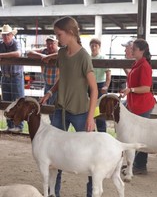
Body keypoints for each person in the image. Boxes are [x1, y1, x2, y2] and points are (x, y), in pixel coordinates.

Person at [40, 16, 98, 197]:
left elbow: (94, 89)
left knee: (90, 155)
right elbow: (62, 78)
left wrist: (90, 117)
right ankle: (53, 193)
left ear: (71, 33)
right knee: (55, 155)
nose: (58, 39)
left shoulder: (84, 57)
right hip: (61, 110)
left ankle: (92, 193)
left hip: (81, 113)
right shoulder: (62, 54)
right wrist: (50, 92)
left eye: (59, 34)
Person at [120, 38, 156, 174]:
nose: (131, 50)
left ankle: (140, 165)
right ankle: (135, 164)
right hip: (136, 104)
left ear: (142, 51)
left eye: (134, 49)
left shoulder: (144, 65)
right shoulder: (138, 63)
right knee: (136, 134)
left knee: (141, 136)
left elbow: (146, 88)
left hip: (142, 105)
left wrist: (131, 90)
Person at [27, 35, 59, 122]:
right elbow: (29, 53)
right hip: (47, 84)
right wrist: (42, 56)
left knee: (56, 107)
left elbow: (63, 54)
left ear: (56, 43)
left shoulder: (60, 51)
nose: (50, 46)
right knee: (49, 106)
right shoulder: (44, 51)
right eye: (48, 43)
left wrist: (49, 57)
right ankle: (53, 125)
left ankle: (56, 126)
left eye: (52, 43)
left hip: (58, 85)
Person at [0, 24, 24, 132]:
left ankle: (18, 126)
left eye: (8, 35)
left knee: (18, 102)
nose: (6, 37)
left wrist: (1, 55)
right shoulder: (1, 45)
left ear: (11, 35)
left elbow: (18, 53)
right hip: (5, 76)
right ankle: (10, 126)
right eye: (4, 35)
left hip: (16, 77)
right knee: (7, 102)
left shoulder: (16, 43)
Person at [89, 38, 111, 132]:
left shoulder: (103, 58)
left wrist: (106, 85)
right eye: (92, 45)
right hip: (89, 85)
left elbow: (108, 74)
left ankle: (102, 131)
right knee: (89, 108)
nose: (94, 47)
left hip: (100, 85)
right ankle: (91, 130)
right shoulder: (88, 58)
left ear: (99, 47)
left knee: (99, 109)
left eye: (96, 46)